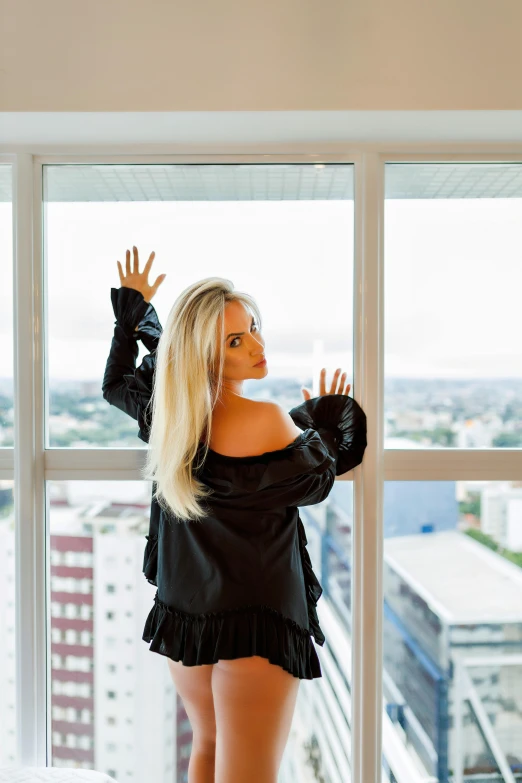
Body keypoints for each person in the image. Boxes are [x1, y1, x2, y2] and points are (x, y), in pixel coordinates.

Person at [102, 246, 367, 783]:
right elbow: (319, 476)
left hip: (188, 614)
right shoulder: (268, 419)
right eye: (235, 340)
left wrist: (130, 316)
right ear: (205, 356)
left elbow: (115, 383)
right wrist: (323, 417)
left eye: (253, 330)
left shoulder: (169, 417)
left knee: (208, 747)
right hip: (255, 618)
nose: (257, 347)